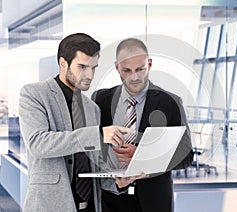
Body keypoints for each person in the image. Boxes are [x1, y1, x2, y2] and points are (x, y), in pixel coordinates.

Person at [19, 33, 137, 212]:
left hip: (89, 206)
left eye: (93, 68)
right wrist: (97, 135)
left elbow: (94, 165)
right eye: (82, 67)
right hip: (50, 206)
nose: (89, 75)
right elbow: (38, 144)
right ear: (63, 63)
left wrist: (117, 182)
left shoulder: (92, 108)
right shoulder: (35, 94)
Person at [91, 37, 194, 212]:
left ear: (150, 64)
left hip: (153, 201)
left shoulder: (170, 103)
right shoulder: (100, 100)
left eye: (140, 69)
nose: (134, 77)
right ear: (117, 67)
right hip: (110, 199)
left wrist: (143, 156)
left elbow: (186, 157)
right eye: (126, 70)